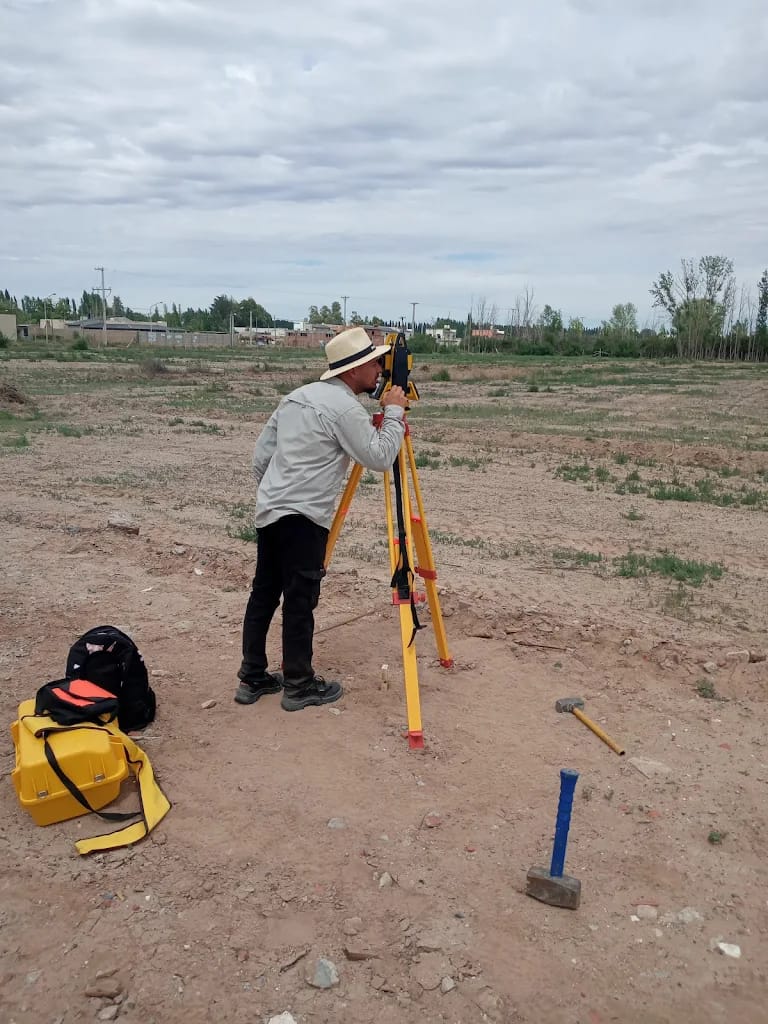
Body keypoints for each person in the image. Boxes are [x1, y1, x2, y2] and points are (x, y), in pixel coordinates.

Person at [235, 326, 408, 712]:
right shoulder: (344, 408)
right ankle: (298, 685)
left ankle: (252, 677)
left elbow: (261, 458)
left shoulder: (296, 398)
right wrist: (393, 412)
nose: (380, 368)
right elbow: (380, 457)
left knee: (264, 593)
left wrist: (277, 494)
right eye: (373, 362)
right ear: (352, 371)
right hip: (303, 519)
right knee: (300, 599)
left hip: (271, 511)